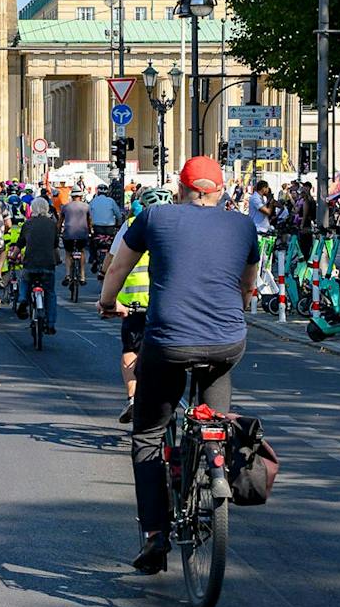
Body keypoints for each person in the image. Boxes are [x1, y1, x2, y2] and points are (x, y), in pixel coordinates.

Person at [99, 155, 259, 574]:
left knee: (149, 435)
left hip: (169, 342)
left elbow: (120, 264)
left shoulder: (154, 217)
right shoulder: (242, 224)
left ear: (181, 189)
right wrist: (243, 299)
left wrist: (106, 301)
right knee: (216, 417)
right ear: (221, 191)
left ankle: (155, 534)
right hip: (227, 342)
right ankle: (217, 458)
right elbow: (249, 278)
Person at [108, 185, 164, 423]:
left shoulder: (131, 226)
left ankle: (132, 398)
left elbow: (112, 267)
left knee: (131, 351)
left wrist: (107, 301)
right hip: (170, 305)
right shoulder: (182, 227)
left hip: (135, 303)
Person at [16, 196, 61, 332]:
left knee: (24, 280)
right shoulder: (52, 224)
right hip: (48, 264)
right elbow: (55, 246)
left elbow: (20, 244)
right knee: (50, 294)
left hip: (30, 263)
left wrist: (13, 256)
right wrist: (57, 260)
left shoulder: (28, 224)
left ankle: (23, 299)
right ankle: (51, 324)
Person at [59, 188, 92, 284]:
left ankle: (68, 275)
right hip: (82, 234)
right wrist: (90, 231)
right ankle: (82, 275)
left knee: (68, 253)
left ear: (72, 196)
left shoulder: (65, 207)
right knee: (81, 252)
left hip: (69, 234)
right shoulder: (86, 206)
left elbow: (60, 221)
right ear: (81, 196)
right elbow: (89, 220)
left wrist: (58, 232)